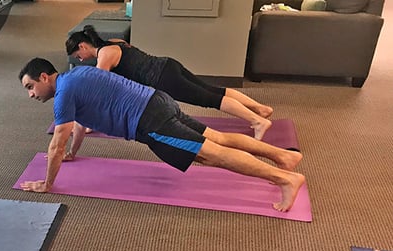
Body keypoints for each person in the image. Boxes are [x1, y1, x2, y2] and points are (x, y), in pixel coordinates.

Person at [18, 58, 305, 212]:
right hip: (158, 101)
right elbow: (78, 124)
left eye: (30, 87)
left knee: (210, 154)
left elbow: (56, 143)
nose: (31, 95)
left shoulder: (63, 94)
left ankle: (286, 178)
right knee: (217, 138)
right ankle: (282, 157)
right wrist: (73, 153)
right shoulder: (76, 76)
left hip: (151, 122)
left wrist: (48, 183)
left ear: (45, 77)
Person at [67, 26, 274, 140]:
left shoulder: (104, 56)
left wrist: (84, 122)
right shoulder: (113, 42)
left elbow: (96, 91)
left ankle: (258, 121)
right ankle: (259, 109)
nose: (81, 60)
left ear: (83, 46)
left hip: (163, 78)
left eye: (78, 55)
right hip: (168, 64)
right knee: (212, 90)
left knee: (209, 98)